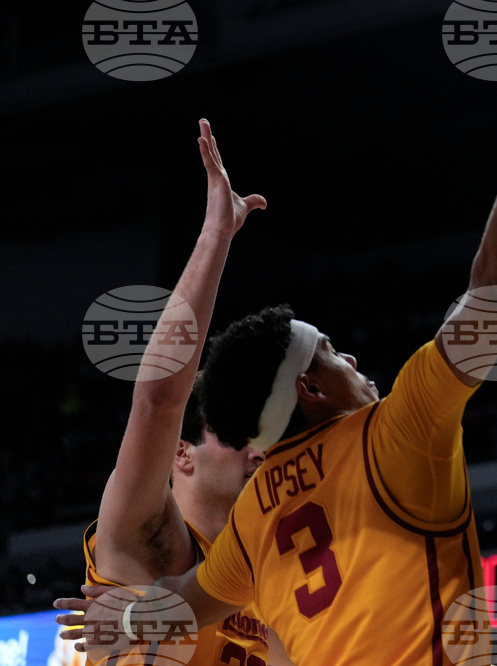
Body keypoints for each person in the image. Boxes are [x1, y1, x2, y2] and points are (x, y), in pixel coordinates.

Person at [59, 14, 497, 665]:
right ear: (307, 387)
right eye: (333, 351)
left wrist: (135, 617)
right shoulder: (396, 428)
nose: (357, 359)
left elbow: (185, 603)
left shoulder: (253, 528)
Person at [54, 119, 291, 665]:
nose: (259, 450)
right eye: (236, 431)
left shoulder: (274, 583)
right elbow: (159, 400)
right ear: (180, 452)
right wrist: (216, 235)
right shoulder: (153, 539)